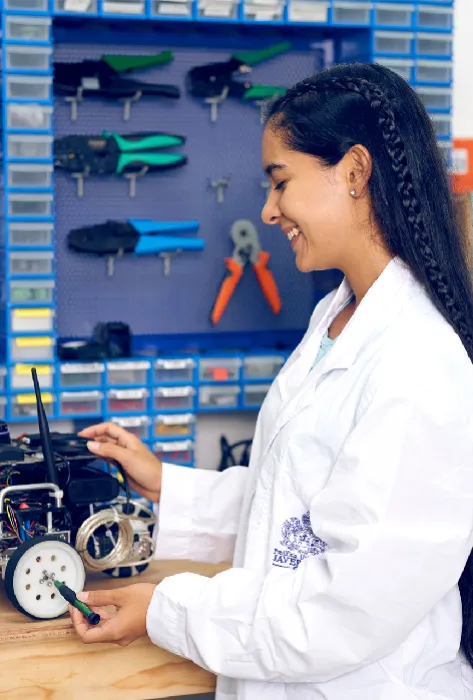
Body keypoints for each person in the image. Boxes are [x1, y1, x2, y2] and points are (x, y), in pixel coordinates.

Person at [70, 62, 473, 699]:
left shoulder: (420, 362)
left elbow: (345, 613)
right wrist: (165, 484)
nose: (266, 210)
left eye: (280, 182)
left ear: (355, 172)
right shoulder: (336, 316)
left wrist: (167, 610)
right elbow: (295, 517)